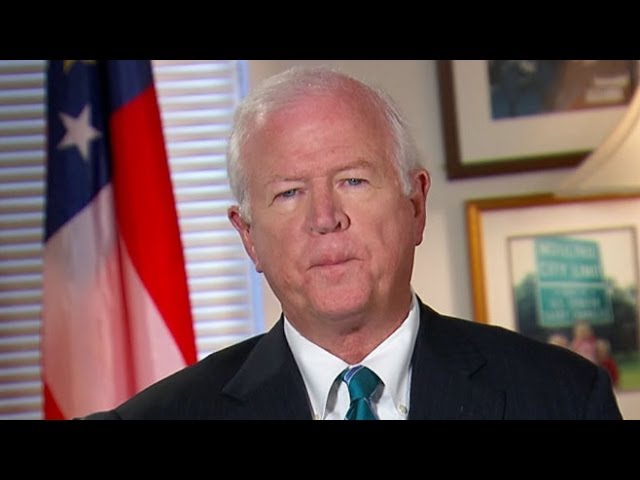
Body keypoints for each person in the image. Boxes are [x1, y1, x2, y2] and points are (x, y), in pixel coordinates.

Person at [82, 65, 622, 420]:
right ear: (248, 237)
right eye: (289, 193)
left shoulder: (565, 398)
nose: (325, 219)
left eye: (353, 181)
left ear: (415, 205)